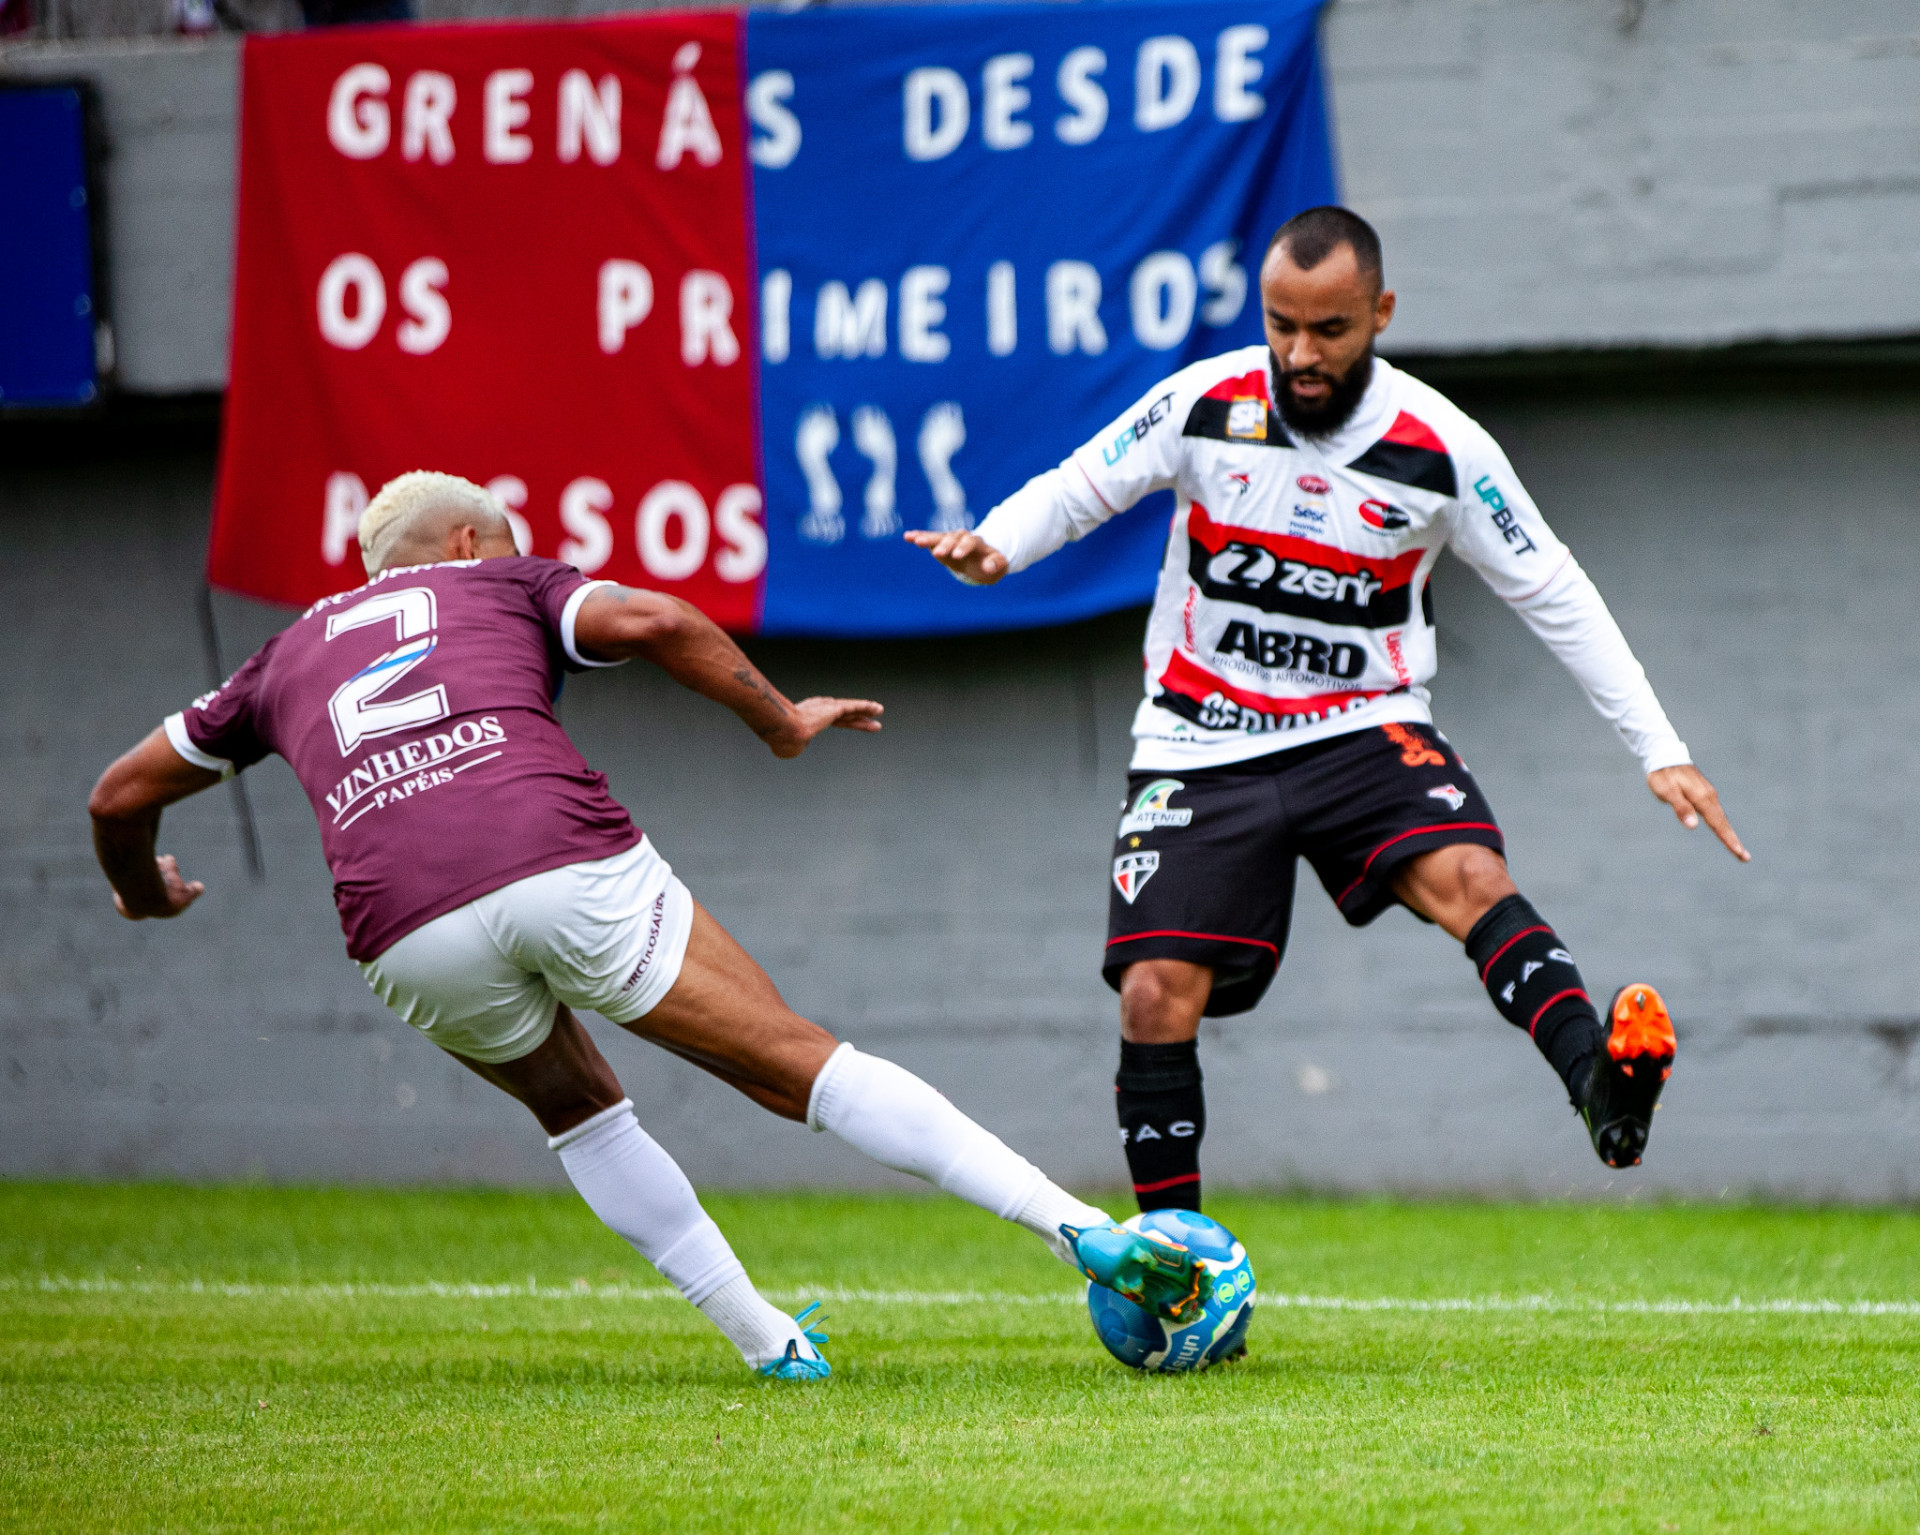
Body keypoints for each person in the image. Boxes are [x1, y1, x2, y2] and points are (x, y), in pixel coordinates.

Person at [88, 471, 1203, 1379]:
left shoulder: (283, 656)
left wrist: (141, 892)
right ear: (471, 538)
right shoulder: (501, 579)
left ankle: (771, 1344)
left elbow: (117, 796)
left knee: (579, 1112)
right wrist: (780, 720)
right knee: (794, 1063)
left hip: (400, 922)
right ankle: (1078, 1229)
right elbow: (659, 617)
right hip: (552, 852)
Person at [909, 207, 1748, 1212]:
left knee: (1471, 875)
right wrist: (997, 543)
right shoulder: (1204, 401)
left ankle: (1603, 1091)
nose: (1301, 355)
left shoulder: (1445, 448)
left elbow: (1553, 590)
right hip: (1197, 735)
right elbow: (1085, 484)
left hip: (1361, 725)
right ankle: (1175, 1260)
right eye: (1282, 325)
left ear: (1381, 311)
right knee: (1151, 992)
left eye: (1330, 330)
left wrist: (1659, 746)